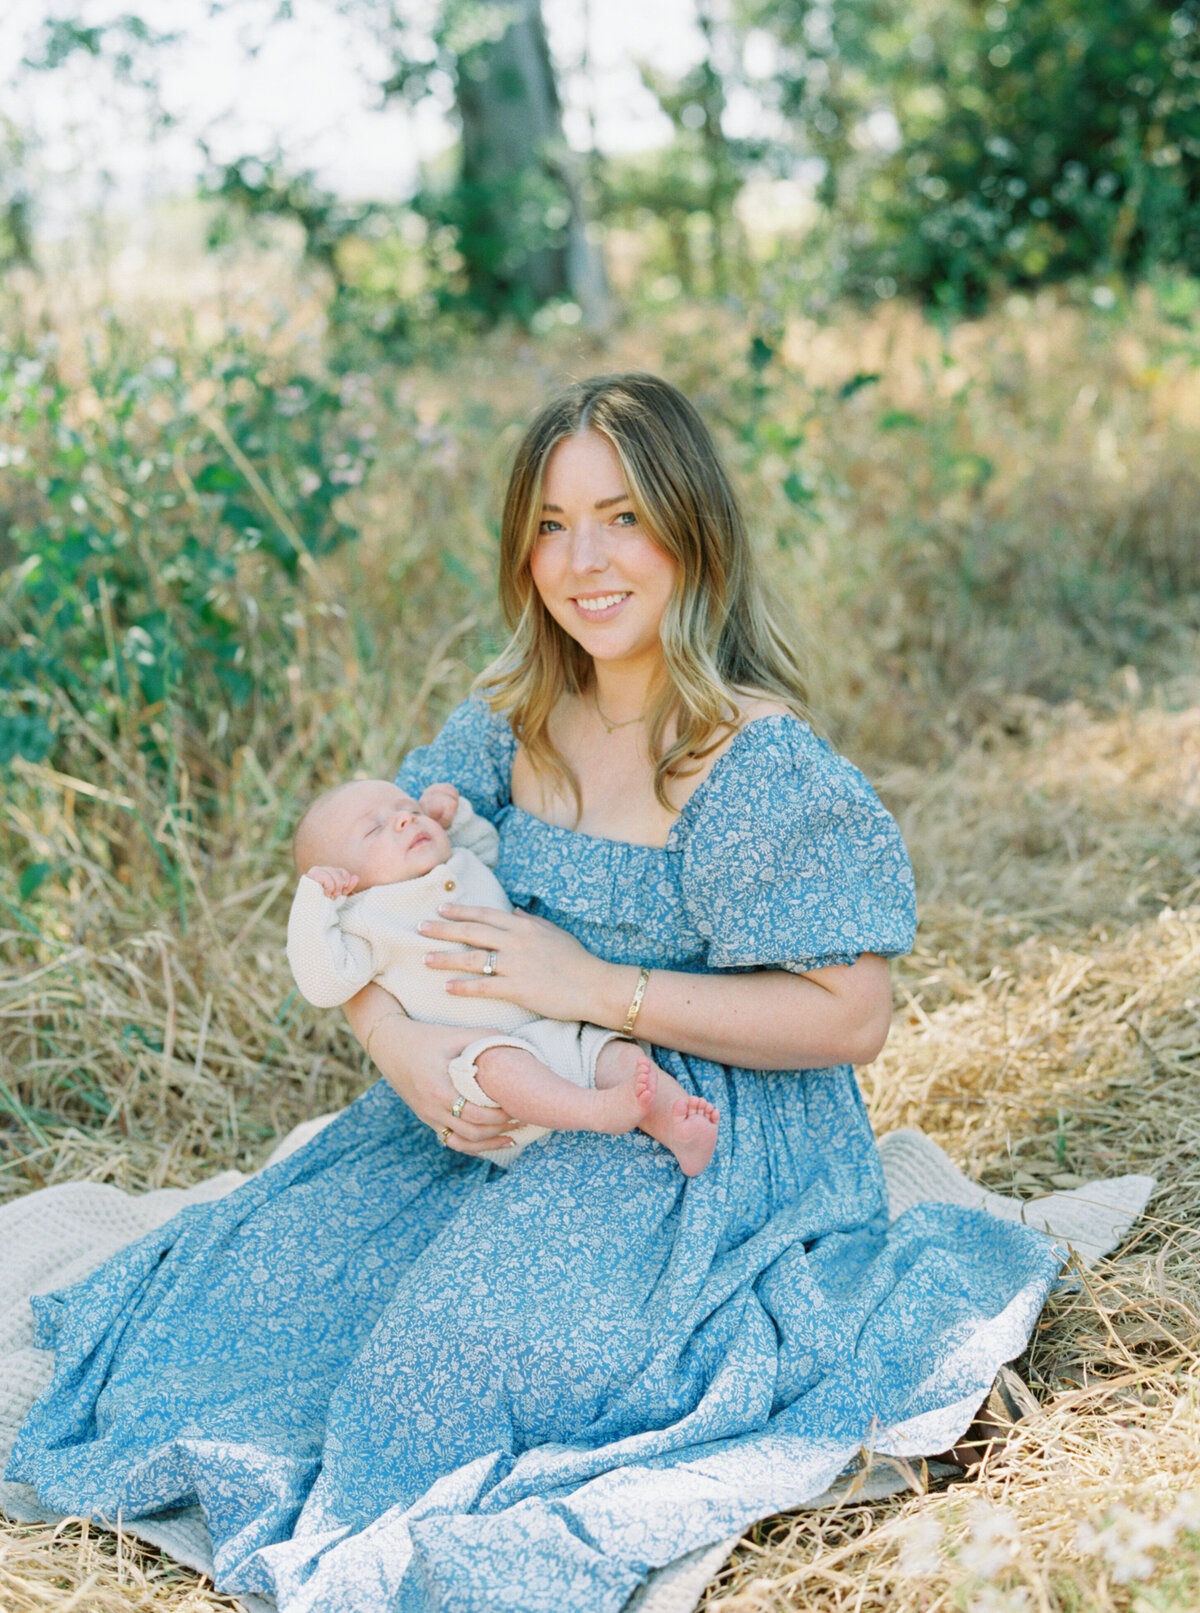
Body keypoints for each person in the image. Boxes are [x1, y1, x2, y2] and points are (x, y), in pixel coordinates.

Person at [7, 372, 1066, 1613]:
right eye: (553, 525)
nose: (586, 559)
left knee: (442, 1371)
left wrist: (591, 984)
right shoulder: (508, 719)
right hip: (503, 1087)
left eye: (622, 516)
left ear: (693, 528)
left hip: (696, 1123)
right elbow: (362, 907)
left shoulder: (755, 762)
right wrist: (401, 1051)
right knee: (238, 1307)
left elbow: (850, 1015)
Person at [286, 775, 720, 1172]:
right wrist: (315, 903)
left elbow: (489, 846)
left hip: (557, 1033)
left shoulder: (460, 860)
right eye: (373, 829)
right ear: (344, 881)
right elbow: (325, 984)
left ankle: (679, 1127)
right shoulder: (363, 920)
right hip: (481, 1068)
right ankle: (596, 1112)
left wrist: (456, 820)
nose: (404, 819)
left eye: (410, 809)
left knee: (621, 1057)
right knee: (499, 1066)